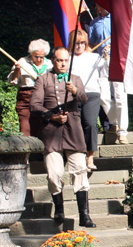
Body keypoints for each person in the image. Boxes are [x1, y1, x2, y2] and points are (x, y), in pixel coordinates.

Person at [30, 47, 96, 228]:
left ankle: (85, 215)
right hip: (51, 132)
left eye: (66, 60)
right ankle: (59, 209)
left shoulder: (75, 79)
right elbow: (34, 105)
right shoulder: (42, 80)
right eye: (60, 60)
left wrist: (74, 91)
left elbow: (83, 98)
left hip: (73, 131)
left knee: (80, 170)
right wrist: (51, 116)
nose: (63, 63)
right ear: (53, 60)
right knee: (54, 174)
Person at [67, 29, 108, 170]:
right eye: (76, 43)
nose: (79, 46)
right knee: (75, 126)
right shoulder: (67, 58)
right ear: (72, 44)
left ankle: (90, 157)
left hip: (91, 94)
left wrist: (107, 57)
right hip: (73, 95)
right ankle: (77, 157)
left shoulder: (95, 57)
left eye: (82, 43)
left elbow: (106, 72)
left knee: (90, 124)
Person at [89, 4, 129, 144]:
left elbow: (126, 38)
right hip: (101, 61)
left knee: (120, 96)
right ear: (97, 7)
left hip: (117, 60)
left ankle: (122, 132)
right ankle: (114, 122)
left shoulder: (118, 19)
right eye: (100, 4)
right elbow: (91, 43)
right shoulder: (94, 23)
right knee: (103, 96)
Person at [7, 39, 52, 136]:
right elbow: (12, 81)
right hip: (26, 97)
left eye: (42, 57)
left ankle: (41, 150)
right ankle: (27, 150)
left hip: (43, 97)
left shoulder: (50, 64)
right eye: (36, 56)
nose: (39, 59)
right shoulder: (22, 62)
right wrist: (17, 70)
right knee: (25, 128)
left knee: (42, 127)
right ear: (31, 53)